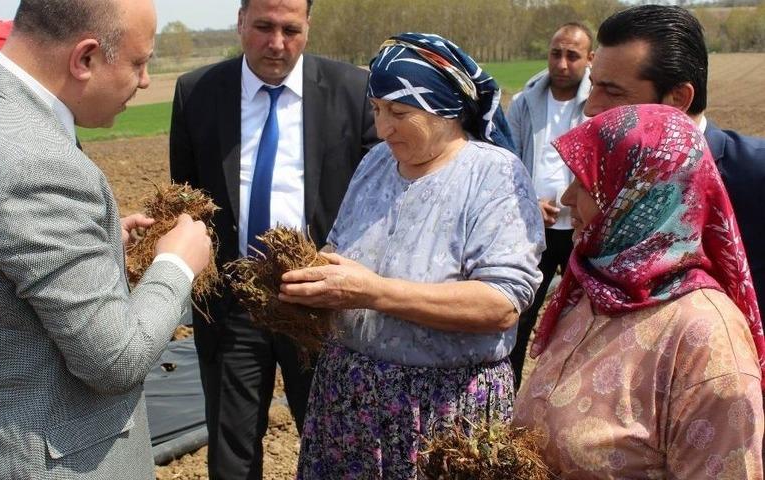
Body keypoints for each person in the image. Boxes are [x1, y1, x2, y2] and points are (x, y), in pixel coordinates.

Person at [0, 1, 212, 478]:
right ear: (85, 58)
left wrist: (99, 244)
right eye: (138, 62)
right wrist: (176, 266)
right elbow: (115, 359)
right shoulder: (38, 164)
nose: (146, 80)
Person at [278, 33, 544, 478]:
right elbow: (341, 245)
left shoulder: (492, 173)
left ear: (445, 109)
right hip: (348, 401)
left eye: (399, 113)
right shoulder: (377, 162)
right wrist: (312, 275)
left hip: (440, 413)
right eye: (377, 109)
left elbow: (501, 303)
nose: (383, 128)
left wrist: (373, 292)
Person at [168, 0, 376, 477]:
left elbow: (377, 199)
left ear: (308, 26)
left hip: (320, 304)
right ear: (240, 22)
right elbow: (190, 199)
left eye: (290, 29)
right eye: (263, 27)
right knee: (232, 451)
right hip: (232, 305)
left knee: (331, 442)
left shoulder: (352, 91)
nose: (276, 43)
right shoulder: (197, 92)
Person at [514, 104, 764, 478]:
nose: (566, 199)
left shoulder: (705, 339)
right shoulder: (591, 291)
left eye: (584, 183)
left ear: (640, 199)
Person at [585, 4, 765, 312]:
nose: (590, 108)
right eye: (592, 85)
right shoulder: (610, 179)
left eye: (612, 92)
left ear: (678, 98)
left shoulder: (755, 176)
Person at [506, 22, 594, 387]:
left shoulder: (599, 104)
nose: (561, 63)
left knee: (581, 319)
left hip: (580, 230)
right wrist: (528, 203)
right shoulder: (525, 102)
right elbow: (506, 159)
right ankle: (506, 395)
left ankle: (570, 398)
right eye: (556, 53)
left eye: (572, 56)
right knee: (519, 314)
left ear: (590, 59)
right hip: (533, 227)